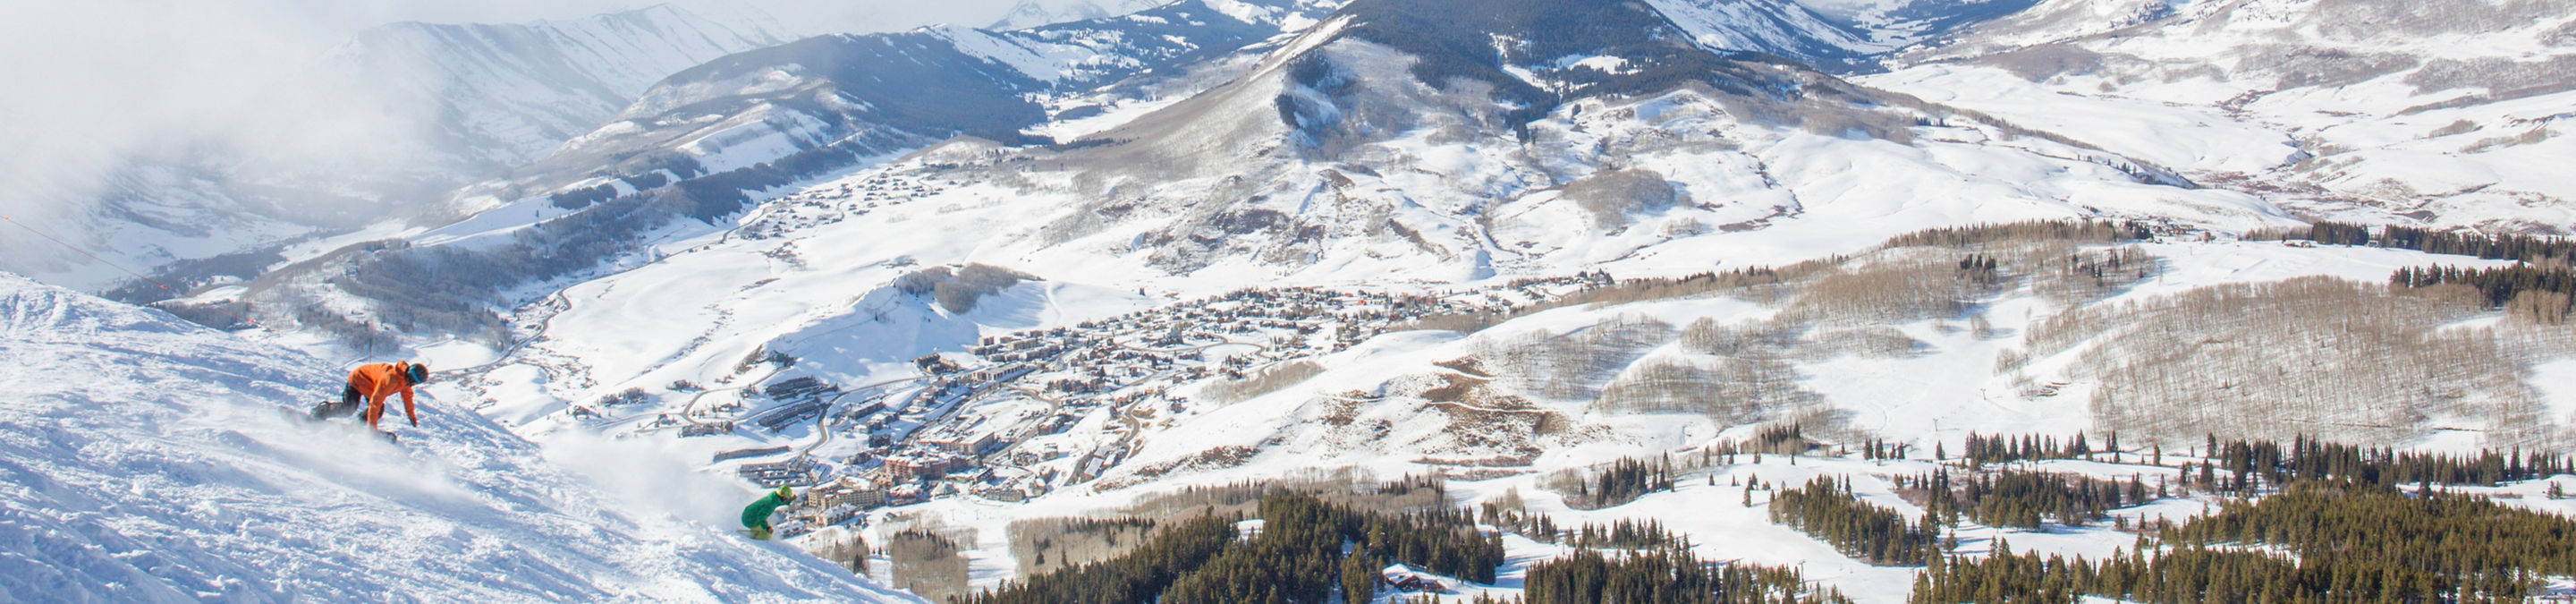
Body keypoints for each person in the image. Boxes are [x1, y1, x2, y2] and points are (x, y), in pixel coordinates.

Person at [328, 361, 428, 432]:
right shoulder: (391, 380)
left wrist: (411, 416)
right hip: (358, 379)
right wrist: (372, 429)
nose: (413, 385)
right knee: (349, 408)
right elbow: (375, 403)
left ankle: (355, 426)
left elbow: (407, 397)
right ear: (410, 377)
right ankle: (320, 412)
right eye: (415, 382)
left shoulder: (405, 380)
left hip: (370, 385)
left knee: (378, 410)